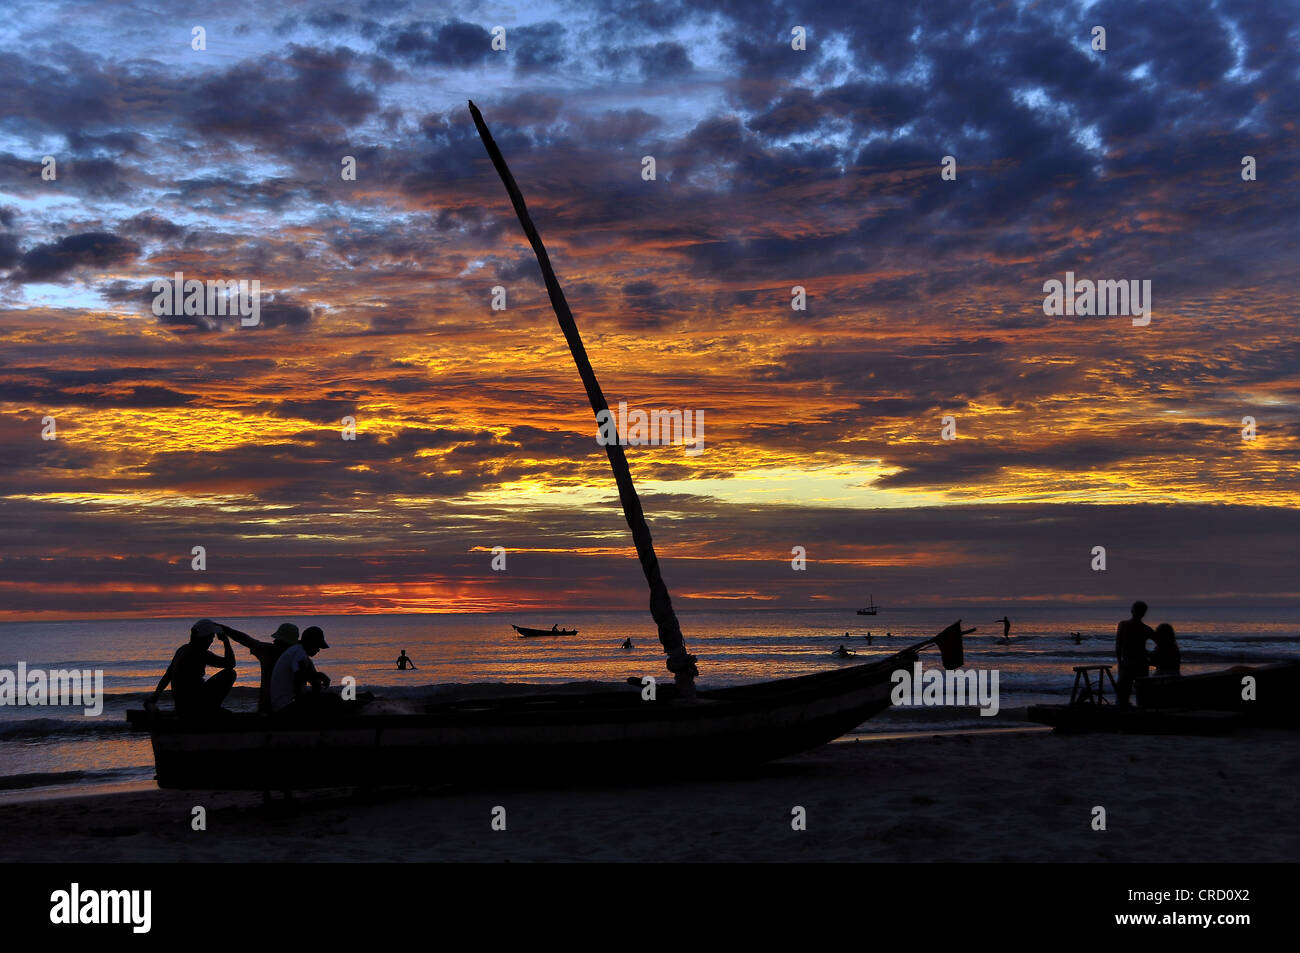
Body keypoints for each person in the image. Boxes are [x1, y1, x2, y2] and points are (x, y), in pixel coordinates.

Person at [145, 619, 237, 718]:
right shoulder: (199, 652)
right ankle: (211, 709)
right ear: (204, 638)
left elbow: (167, 676)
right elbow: (230, 663)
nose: (211, 641)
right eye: (211, 637)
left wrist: (155, 697)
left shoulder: (182, 649)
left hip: (181, 706)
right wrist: (226, 641)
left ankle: (208, 708)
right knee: (230, 673)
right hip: (193, 706)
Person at [223, 622, 299, 714]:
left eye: (276, 639)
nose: (274, 641)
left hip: (266, 708)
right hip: (285, 708)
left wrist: (224, 629)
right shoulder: (297, 656)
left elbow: (244, 639)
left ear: (280, 640)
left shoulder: (268, 651)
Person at [271, 625, 334, 715]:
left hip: (282, 704)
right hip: (286, 706)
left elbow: (308, 679)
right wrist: (318, 676)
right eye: (317, 646)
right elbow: (298, 679)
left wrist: (316, 678)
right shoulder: (298, 654)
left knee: (329, 699)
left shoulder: (298, 652)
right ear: (310, 643)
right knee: (332, 699)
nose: (318, 650)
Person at [1115, 601, 1155, 707]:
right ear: (1143, 614)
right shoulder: (1146, 629)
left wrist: (1120, 663)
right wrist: (1149, 654)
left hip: (1127, 663)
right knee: (1141, 693)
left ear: (1132, 610)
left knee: (1122, 695)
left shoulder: (1123, 625)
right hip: (1141, 664)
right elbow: (1161, 642)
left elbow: (1118, 646)